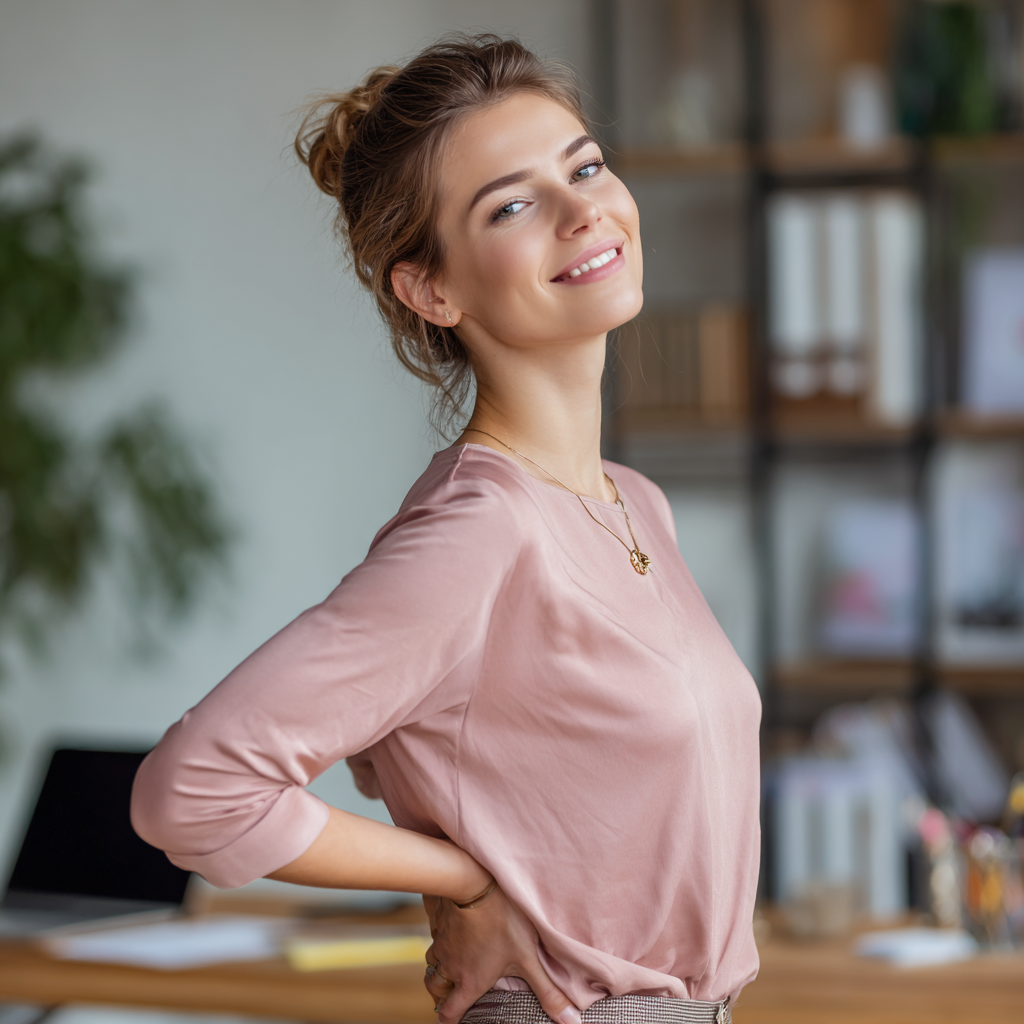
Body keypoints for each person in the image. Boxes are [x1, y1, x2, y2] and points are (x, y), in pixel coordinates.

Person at [131, 35, 761, 1024]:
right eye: (511, 206)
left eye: (584, 166)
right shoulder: (482, 530)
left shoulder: (633, 503)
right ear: (431, 289)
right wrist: (461, 880)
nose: (583, 209)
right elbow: (195, 788)